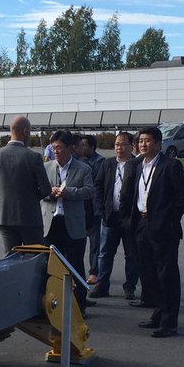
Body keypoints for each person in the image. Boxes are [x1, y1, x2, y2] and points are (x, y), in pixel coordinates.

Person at [119, 126, 184, 337]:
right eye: (141, 141)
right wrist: (128, 220)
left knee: (166, 275)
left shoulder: (171, 165)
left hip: (163, 227)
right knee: (148, 273)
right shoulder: (136, 165)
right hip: (140, 225)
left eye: (148, 140)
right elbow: (129, 194)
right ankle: (158, 314)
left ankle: (169, 323)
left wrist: (170, 218)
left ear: (159, 144)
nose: (143, 144)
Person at [42, 130, 95, 312]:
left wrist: (68, 193)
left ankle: (80, 306)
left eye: (59, 148)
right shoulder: (46, 167)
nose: (56, 151)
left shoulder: (83, 168)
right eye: (53, 147)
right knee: (50, 267)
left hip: (73, 224)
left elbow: (89, 191)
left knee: (75, 267)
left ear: (70, 148)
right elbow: (38, 192)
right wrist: (51, 193)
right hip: (51, 224)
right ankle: (52, 305)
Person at [0, 115, 52, 252]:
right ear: (25, 131)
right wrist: (30, 198)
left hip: (5, 217)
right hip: (29, 217)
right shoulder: (33, 157)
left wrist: (5, 195)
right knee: (35, 258)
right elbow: (45, 189)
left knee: (10, 260)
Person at [89, 131, 140, 300]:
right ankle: (102, 285)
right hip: (110, 216)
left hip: (130, 218)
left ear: (132, 146)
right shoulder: (108, 164)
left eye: (123, 144)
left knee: (131, 254)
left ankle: (130, 287)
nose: (119, 148)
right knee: (105, 253)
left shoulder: (137, 164)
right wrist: (101, 209)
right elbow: (97, 186)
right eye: (117, 144)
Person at [76, 133, 105, 283]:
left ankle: (94, 271)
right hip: (77, 208)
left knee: (95, 243)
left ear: (92, 147)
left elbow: (94, 186)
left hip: (93, 209)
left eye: (84, 145)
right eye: (80, 145)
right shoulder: (75, 161)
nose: (81, 147)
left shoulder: (100, 162)